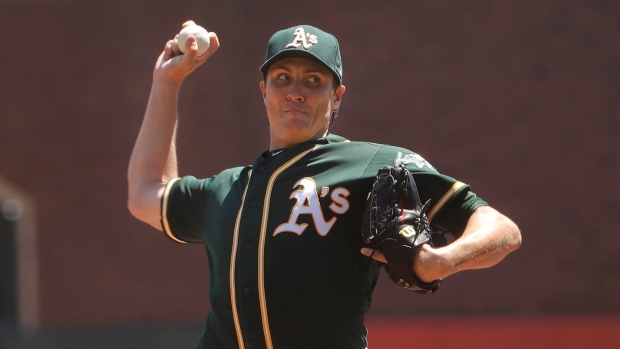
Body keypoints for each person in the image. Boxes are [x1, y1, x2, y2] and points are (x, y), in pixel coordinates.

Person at [127, 20, 521, 349]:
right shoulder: (226, 190)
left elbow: (502, 229)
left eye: (314, 80)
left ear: (337, 97)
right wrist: (167, 81)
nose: (295, 91)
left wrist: (440, 262)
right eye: (282, 78)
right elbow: (146, 192)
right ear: (263, 91)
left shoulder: (372, 164)